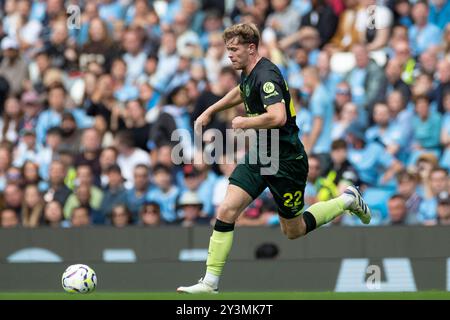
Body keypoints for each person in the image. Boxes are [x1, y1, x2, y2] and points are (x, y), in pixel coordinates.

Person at [177, 23, 371, 294]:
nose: (229, 55)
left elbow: (278, 117)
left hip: (286, 161)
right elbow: (241, 91)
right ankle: (210, 282)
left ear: (251, 48)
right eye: (227, 50)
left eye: (234, 50)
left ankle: (347, 200)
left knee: (294, 230)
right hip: (261, 154)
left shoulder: (266, 75)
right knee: (226, 209)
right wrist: (211, 109)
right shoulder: (249, 72)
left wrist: (246, 121)